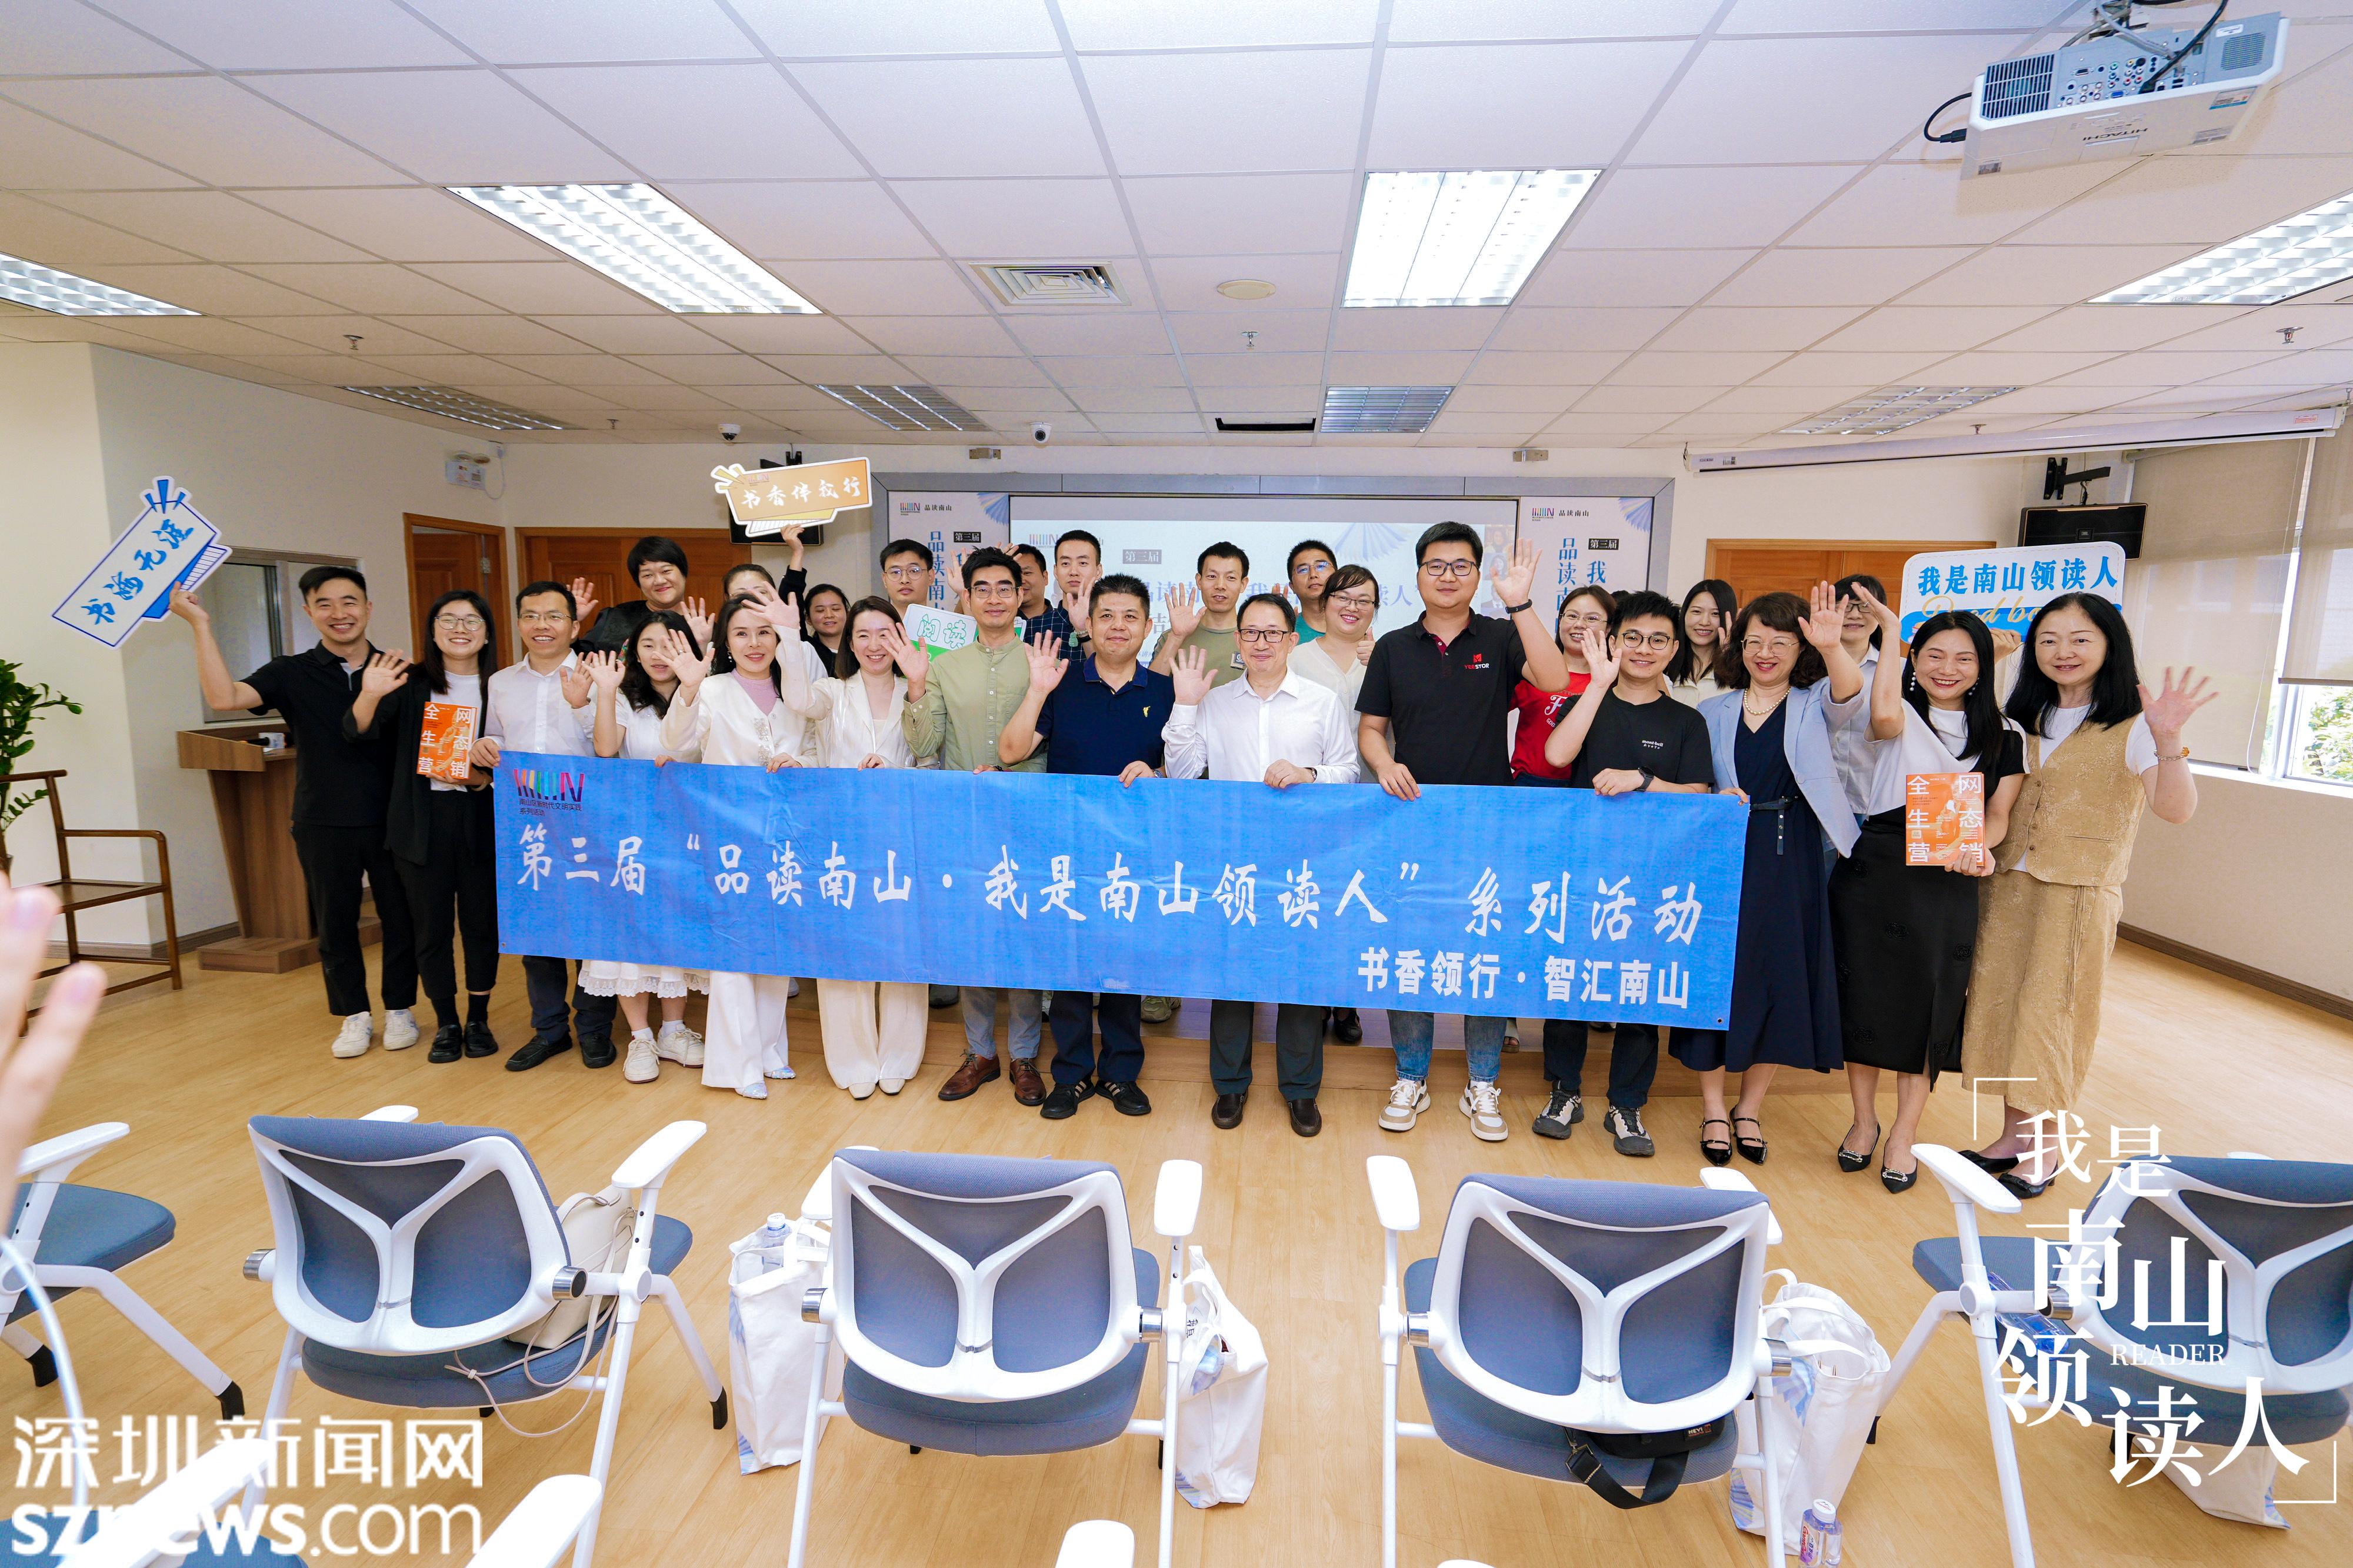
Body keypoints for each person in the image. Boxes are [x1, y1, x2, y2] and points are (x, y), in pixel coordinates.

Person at [1961, 593, 2211, 1199]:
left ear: (2109, 645)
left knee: (2053, 1015)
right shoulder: (2024, 717)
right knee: (2001, 1005)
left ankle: (2045, 1151)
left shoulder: (2136, 726)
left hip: (2076, 892)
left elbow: (2177, 809)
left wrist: (2169, 736)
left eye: (2080, 639)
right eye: (2049, 640)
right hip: (2006, 882)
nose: (2063, 652)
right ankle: (2012, 1136)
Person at [1357, 523, 1567, 1142]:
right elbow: (1371, 728)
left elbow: (1555, 678)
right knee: (1410, 948)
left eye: (1461, 566)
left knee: (1483, 950)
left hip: (1487, 825)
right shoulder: (1394, 647)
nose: (1447, 576)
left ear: (1478, 574)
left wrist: (1521, 603)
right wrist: (1383, 763)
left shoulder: (1501, 635)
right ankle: (1411, 1076)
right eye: (1435, 565)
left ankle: (1483, 1080)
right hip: (1410, 820)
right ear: (1417, 574)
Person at [168, 572, 419, 1060]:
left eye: (350, 602)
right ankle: (354, 1015)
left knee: (403, 919)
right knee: (335, 922)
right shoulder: (290, 672)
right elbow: (224, 699)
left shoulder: (398, 670)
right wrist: (200, 625)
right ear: (309, 613)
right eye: (325, 604)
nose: (339, 613)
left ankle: (400, 1009)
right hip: (322, 817)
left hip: (394, 818)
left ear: (368, 608)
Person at [1829, 598, 2024, 1193]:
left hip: (1947, 876)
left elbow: (1998, 814)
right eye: (1934, 655)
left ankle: (1904, 1134)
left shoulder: (2006, 733)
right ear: (1914, 660)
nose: (1947, 668)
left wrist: (1978, 846)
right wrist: (1892, 633)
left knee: (1929, 1006)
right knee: (1864, 1002)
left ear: (1983, 666)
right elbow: (1885, 716)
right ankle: (1864, 1120)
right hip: (1877, 868)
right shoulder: (1896, 709)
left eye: (1964, 658)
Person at [1528, 588, 1716, 1156]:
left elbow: (1699, 793)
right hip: (1583, 868)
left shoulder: (1687, 721)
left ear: (1675, 649)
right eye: (1632, 637)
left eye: (1659, 640)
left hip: (1656, 875)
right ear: (1612, 642)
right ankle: (1565, 1092)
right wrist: (1598, 685)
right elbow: (1557, 756)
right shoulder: (1587, 702)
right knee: (1571, 982)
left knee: (1642, 988)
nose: (1644, 649)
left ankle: (1627, 1105)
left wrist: (1645, 781)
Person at [1682, 585, 1866, 1166]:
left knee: (1779, 978)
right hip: (1723, 854)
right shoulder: (1712, 710)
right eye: (1755, 641)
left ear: (1800, 649)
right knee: (1719, 976)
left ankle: (1749, 1107)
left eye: (1780, 643)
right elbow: (1696, 783)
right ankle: (1714, 1106)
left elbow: (1852, 693)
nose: (1765, 653)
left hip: (1792, 854)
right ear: (1738, 645)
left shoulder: (1816, 703)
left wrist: (1833, 646)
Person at [1162, 593, 1358, 1137]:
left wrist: (1309, 774)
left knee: (1300, 979)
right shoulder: (1215, 701)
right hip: (1236, 861)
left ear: (1293, 640)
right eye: (1252, 632)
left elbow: (1348, 771)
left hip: (1304, 860)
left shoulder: (1322, 702)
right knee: (1232, 977)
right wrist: (1185, 705)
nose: (1262, 643)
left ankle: (1301, 1090)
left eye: (1274, 633)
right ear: (1239, 640)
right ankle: (1230, 1086)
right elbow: (1181, 773)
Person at [997, 574, 1174, 1120]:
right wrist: (1037, 690)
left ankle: (1121, 1073)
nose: (1118, 627)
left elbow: (1186, 769)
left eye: (1130, 617)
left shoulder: (1164, 690)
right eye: (1107, 616)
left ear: (1148, 627)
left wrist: (1159, 772)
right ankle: (1070, 1076)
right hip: (1067, 847)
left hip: (1135, 850)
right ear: (1089, 625)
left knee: (1124, 963)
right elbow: (1011, 752)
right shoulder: (1061, 681)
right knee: (1070, 964)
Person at [658, 597, 821, 1099]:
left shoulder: (795, 692)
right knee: (732, 949)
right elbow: (677, 745)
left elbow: (816, 750)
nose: (754, 643)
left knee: (775, 945)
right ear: (726, 643)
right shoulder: (710, 689)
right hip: (726, 838)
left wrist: (800, 762)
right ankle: (736, 1066)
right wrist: (688, 688)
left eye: (764, 632)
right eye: (742, 634)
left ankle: (769, 1051)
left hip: (783, 838)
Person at [773, 593, 934, 1099]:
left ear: (900, 637)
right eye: (862, 634)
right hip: (840, 839)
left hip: (902, 839)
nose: (873, 644)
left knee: (902, 947)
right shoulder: (831, 691)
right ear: (849, 642)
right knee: (844, 947)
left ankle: (900, 1055)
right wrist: (789, 636)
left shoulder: (919, 689)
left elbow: (933, 760)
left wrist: (896, 770)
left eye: (884, 633)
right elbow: (798, 703)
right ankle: (853, 1059)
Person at [909, 549, 1049, 1107]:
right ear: (965, 597)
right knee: (973, 936)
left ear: (1021, 595)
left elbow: (1057, 740)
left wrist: (1013, 774)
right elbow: (924, 745)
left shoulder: (1042, 661)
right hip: (963, 820)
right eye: (982, 589)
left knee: (1023, 935)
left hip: (1028, 817)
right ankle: (979, 1053)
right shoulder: (943, 666)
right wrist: (916, 685)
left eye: (1004, 588)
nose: (994, 598)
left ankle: (1024, 1055)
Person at [343, 589, 502, 1065]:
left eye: (471, 620)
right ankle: (447, 1022)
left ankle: (478, 1019)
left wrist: (480, 779)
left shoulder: (501, 685)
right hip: (420, 819)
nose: (459, 629)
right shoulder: (409, 683)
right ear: (432, 631)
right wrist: (369, 692)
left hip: (482, 816)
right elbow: (357, 732)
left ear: (487, 633)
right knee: (430, 928)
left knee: (482, 925)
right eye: (448, 619)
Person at [472, 582, 613, 1072]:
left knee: (592, 929)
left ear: (574, 626)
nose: (541, 625)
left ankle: (594, 1029)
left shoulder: (597, 675)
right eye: (531, 616)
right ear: (518, 624)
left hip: (587, 820)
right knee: (537, 928)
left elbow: (610, 746)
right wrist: (485, 747)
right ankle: (549, 1030)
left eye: (554, 616)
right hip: (525, 822)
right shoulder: (501, 682)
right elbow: (496, 737)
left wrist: (585, 703)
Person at [582, 613, 708, 1085]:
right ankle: (640, 1037)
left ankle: (674, 1030)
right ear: (634, 651)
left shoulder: (705, 691)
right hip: (631, 830)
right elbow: (604, 749)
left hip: (687, 831)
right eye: (649, 645)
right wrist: (606, 691)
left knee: (675, 931)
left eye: (670, 644)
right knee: (629, 934)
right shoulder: (622, 697)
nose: (660, 655)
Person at [1287, 562, 1380, 1046]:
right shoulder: (1296, 656)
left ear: (1375, 610)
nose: (1352, 607)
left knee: (1357, 901)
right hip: (1311, 799)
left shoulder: (1388, 656)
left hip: (1372, 798)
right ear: (1324, 603)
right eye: (1343, 597)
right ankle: (1314, 996)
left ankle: (1347, 1000)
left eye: (1364, 600)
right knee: (1314, 897)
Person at [1510, 586, 1614, 782]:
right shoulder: (1533, 672)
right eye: (1572, 616)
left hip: (1589, 788)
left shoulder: (1611, 682)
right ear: (1560, 622)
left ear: (1608, 629)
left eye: (1592, 619)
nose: (1579, 625)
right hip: (1530, 785)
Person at [575, 535, 705, 655]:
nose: (659, 581)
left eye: (666, 571)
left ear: (683, 573)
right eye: (648, 575)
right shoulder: (615, 617)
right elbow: (580, 658)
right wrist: (572, 620)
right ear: (638, 582)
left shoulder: (705, 628)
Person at [1149, 541, 1250, 692]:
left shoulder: (1254, 638)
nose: (1220, 585)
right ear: (1199, 581)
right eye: (1212, 576)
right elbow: (1151, 691)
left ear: (1243, 584)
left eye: (1230, 578)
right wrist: (1177, 637)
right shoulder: (1174, 636)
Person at [1828, 572, 1889, 812]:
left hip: (1875, 801)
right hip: (1815, 802)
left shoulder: (1899, 670)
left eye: (1865, 606)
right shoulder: (1807, 670)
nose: (1854, 614)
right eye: (1844, 605)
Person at [1029, 529, 1102, 659]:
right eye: (1066, 564)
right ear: (1056, 571)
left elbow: (1112, 670)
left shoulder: (1109, 625)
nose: (1073, 572)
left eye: (1083, 563)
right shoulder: (1033, 627)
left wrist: (1084, 633)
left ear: (1098, 571)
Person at [1665, 578, 1737, 706]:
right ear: (1684, 614)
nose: (1704, 622)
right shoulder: (1666, 664)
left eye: (1715, 614)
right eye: (1697, 612)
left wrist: (1732, 658)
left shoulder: (1738, 670)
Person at [1286, 539, 1337, 640]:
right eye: (1303, 570)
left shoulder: (1356, 626)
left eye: (1321, 566)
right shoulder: (1286, 632)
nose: (1313, 574)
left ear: (1338, 576)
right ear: (1292, 586)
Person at [879, 538, 937, 615]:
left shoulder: (946, 622)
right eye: (896, 572)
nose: (904, 580)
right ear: (884, 580)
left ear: (930, 576)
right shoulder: (872, 622)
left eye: (914, 571)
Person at [800, 583, 850, 671]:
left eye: (836, 609)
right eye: (820, 611)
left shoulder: (861, 649)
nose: (829, 615)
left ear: (847, 613)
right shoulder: (807, 651)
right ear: (808, 618)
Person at [1012, 543, 1052, 623]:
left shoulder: (1065, 620)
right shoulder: (999, 623)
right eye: (1015, 574)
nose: (1021, 581)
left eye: (1027, 573)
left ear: (1045, 577)